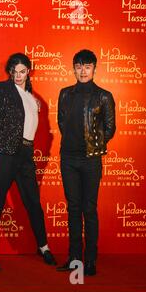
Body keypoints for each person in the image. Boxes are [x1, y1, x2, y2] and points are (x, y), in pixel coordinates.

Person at [0, 52, 57, 271]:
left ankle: (43, 246)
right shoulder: (5, 89)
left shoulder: (33, 97)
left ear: (28, 72)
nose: (18, 75)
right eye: (14, 71)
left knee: (33, 203)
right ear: (9, 72)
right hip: (7, 152)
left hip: (26, 154)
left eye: (22, 71)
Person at [56, 49, 116, 276]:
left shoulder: (104, 96)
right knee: (73, 208)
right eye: (79, 66)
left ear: (94, 69)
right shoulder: (64, 94)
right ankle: (74, 258)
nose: (83, 70)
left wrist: (92, 144)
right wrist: (73, 144)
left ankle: (90, 260)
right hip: (68, 158)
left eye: (87, 66)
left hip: (91, 160)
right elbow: (62, 122)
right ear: (74, 69)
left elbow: (110, 128)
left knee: (89, 209)